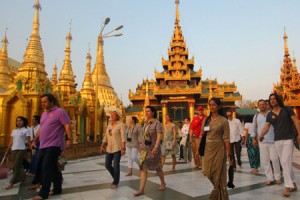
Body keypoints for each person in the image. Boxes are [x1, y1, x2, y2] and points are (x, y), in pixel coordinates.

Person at [31, 93, 72, 200]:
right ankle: (57, 188)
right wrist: (34, 140)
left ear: (52, 102)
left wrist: (69, 139)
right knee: (52, 167)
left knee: (46, 168)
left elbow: (67, 125)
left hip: (54, 144)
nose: (42, 104)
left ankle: (43, 193)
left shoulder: (60, 112)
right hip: (43, 144)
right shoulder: (44, 114)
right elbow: (41, 128)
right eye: (41, 102)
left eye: (45, 102)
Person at [259, 93, 300, 197]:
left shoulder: (287, 109)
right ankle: (294, 183)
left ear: (278, 100)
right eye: (271, 99)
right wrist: (261, 135)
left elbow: (295, 121)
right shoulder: (270, 114)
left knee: (285, 161)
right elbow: (267, 126)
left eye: (274, 98)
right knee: (284, 162)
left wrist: (299, 134)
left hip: (288, 139)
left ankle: (287, 186)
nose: (272, 100)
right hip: (277, 141)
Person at [202, 98, 232, 200]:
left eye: (214, 105)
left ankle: (220, 195)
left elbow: (227, 139)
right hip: (208, 148)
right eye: (210, 105)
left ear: (219, 106)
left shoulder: (223, 121)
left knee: (219, 172)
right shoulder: (206, 120)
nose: (211, 107)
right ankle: (217, 190)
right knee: (208, 172)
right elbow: (203, 135)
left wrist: (229, 155)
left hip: (219, 148)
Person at [133, 105, 166, 196]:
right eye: (146, 111)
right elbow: (144, 135)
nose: (146, 113)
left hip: (154, 149)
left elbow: (159, 135)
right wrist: (141, 144)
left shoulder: (157, 123)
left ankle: (163, 182)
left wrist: (156, 146)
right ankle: (141, 189)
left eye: (148, 111)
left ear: (152, 113)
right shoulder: (145, 122)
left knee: (158, 168)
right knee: (143, 167)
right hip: (145, 149)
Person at [251, 99, 281, 185]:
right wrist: (253, 138)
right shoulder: (256, 116)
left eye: (263, 104)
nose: (262, 106)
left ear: (266, 105)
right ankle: (269, 178)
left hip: (273, 140)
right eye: (260, 105)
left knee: (275, 159)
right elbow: (254, 128)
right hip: (262, 141)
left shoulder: (272, 114)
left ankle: (277, 177)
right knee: (265, 160)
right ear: (258, 106)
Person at [100, 109, 126, 189]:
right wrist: (102, 145)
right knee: (107, 164)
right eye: (111, 115)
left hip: (117, 148)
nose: (111, 116)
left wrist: (123, 148)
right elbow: (106, 136)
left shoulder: (121, 125)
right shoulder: (109, 125)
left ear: (117, 116)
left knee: (116, 165)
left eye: (113, 115)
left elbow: (123, 137)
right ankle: (115, 177)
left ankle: (115, 182)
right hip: (109, 148)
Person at [4, 116, 30, 190]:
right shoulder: (14, 130)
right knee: (15, 166)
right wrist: (7, 150)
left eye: (20, 120)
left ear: (23, 122)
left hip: (22, 149)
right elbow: (11, 141)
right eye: (17, 120)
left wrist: (30, 149)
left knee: (17, 165)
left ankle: (11, 183)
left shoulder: (26, 130)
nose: (18, 122)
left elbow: (28, 141)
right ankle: (22, 175)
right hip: (14, 149)